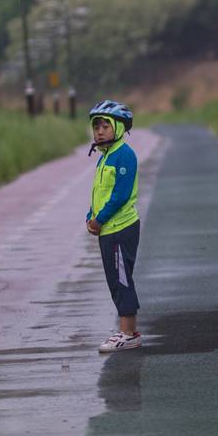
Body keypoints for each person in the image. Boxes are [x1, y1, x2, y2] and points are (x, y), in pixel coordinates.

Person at [86, 100, 142, 353]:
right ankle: (128, 330)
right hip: (108, 229)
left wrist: (100, 219)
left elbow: (119, 195)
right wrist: (91, 214)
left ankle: (128, 333)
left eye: (105, 126)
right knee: (115, 280)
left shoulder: (124, 155)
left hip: (120, 228)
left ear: (118, 128)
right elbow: (98, 192)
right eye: (96, 126)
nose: (99, 131)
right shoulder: (105, 156)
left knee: (121, 280)